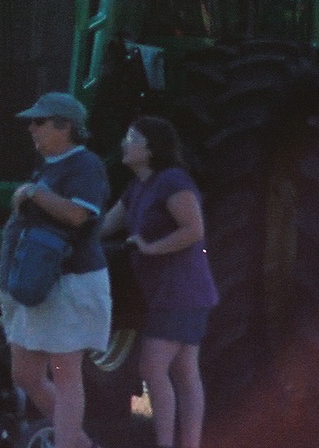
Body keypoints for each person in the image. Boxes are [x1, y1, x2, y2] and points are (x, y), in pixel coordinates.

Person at [0, 92, 111, 448]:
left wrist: (34, 193)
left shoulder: (85, 165)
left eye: (39, 121)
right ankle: (79, 443)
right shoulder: (50, 166)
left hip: (71, 283)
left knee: (65, 373)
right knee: (26, 374)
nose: (32, 128)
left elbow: (79, 215)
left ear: (66, 127)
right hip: (36, 285)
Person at [100, 115, 219, 448]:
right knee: (183, 373)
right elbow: (106, 226)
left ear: (151, 148)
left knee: (153, 368)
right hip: (164, 294)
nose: (125, 144)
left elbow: (194, 230)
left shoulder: (173, 181)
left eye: (132, 138)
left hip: (183, 292)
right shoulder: (137, 186)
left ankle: (167, 443)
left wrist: (151, 248)